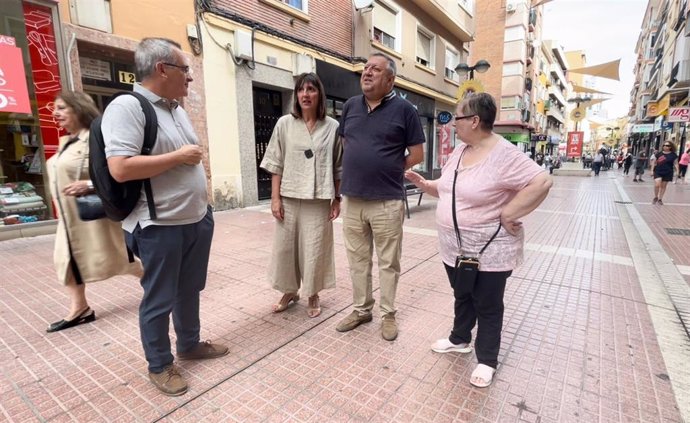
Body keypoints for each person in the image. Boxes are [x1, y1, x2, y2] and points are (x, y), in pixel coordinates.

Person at [102, 38, 227, 396]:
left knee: (190, 289)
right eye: (184, 69)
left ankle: (189, 344)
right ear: (162, 69)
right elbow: (121, 168)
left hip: (195, 219)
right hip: (158, 225)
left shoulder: (176, 109)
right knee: (159, 298)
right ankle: (159, 364)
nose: (189, 77)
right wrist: (178, 158)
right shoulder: (128, 107)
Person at [405, 93, 551, 388]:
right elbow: (449, 189)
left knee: (487, 303)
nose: (452, 123)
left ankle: (487, 360)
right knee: (463, 294)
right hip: (454, 249)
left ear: (474, 121)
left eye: (457, 117)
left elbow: (542, 181)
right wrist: (425, 184)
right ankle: (460, 339)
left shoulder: (504, 153)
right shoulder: (460, 151)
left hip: (490, 249)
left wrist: (510, 211)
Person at [335, 52, 425, 341]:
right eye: (365, 68)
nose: (367, 72)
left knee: (388, 262)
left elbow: (417, 154)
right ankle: (362, 310)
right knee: (357, 260)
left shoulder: (405, 110)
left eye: (375, 69)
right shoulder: (350, 106)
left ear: (390, 79)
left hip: (387, 199)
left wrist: (387, 166)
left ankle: (388, 314)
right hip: (352, 198)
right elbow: (348, 142)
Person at [45, 91, 141, 333]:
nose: (55, 113)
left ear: (79, 109)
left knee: (125, 259)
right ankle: (80, 308)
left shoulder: (95, 138)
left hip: (94, 217)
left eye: (62, 108)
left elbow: (115, 172)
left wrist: (87, 185)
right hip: (69, 219)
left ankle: (161, 284)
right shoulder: (68, 141)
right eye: (54, 108)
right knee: (66, 263)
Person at [260, 73, 342, 318]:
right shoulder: (284, 124)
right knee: (286, 249)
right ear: (296, 95)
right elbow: (276, 163)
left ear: (320, 95)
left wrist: (337, 198)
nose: (305, 94)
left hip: (319, 200)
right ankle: (289, 291)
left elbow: (339, 166)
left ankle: (313, 292)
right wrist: (275, 199)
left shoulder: (333, 127)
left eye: (311, 89)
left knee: (315, 248)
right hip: (289, 197)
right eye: (301, 90)